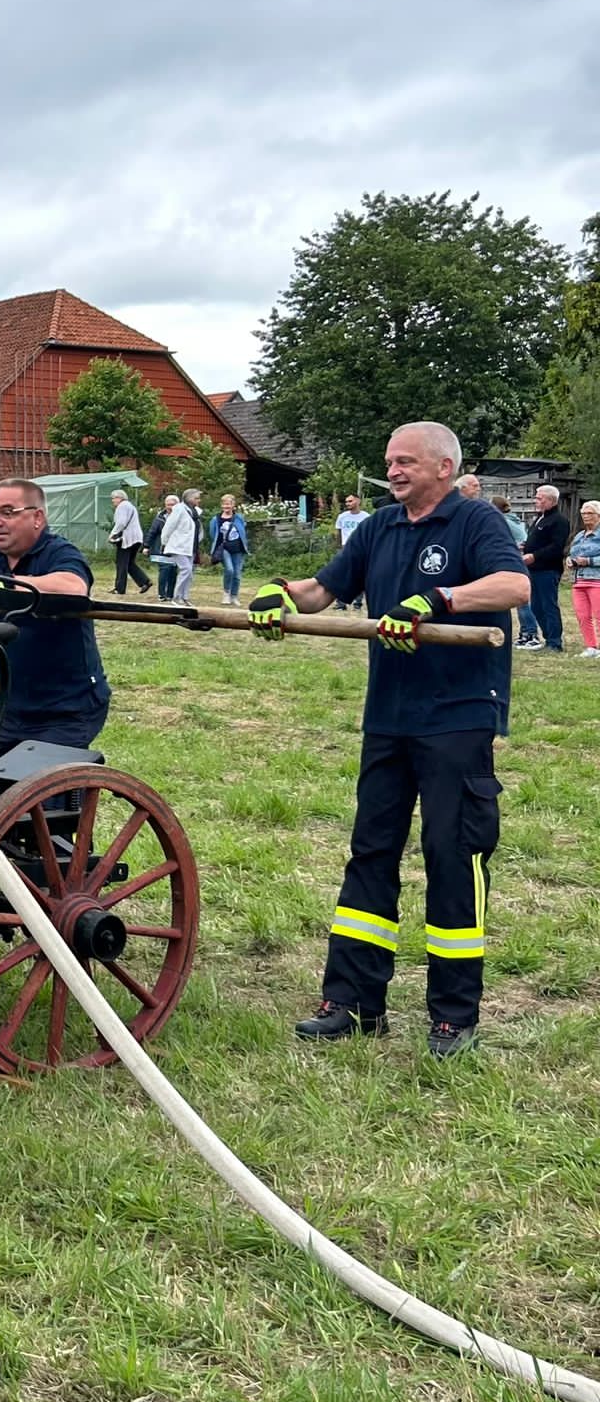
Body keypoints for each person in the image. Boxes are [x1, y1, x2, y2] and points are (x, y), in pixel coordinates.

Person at [245, 421, 528, 1057]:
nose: (393, 471)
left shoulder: (475, 521)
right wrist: (278, 592)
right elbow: (322, 592)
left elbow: (515, 586)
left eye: (406, 462)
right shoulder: (379, 527)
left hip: (457, 717)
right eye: (390, 461)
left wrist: (438, 599)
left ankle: (453, 1015)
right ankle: (352, 1002)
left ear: (444, 468)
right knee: (370, 852)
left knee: (452, 854)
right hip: (388, 718)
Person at [0, 478, 110, 762]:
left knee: (38, 784)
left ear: (37, 518)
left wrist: (7, 586)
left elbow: (74, 586)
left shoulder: (59, 552)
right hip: (14, 708)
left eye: (7, 512)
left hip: (68, 710)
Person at [516, 484, 567, 653]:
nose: (535, 501)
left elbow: (556, 547)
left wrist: (534, 556)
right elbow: (538, 540)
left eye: (539, 498)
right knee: (536, 607)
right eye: (536, 497)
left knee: (548, 606)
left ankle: (555, 642)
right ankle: (547, 637)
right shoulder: (540, 518)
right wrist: (525, 546)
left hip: (548, 570)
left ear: (551, 500)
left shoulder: (559, 521)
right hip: (533, 570)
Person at [570, 500, 600, 658]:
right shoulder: (579, 535)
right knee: (583, 616)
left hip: (597, 580)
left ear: (599, 515)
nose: (586, 516)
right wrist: (570, 560)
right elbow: (572, 553)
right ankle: (591, 647)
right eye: (583, 513)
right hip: (578, 580)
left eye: (590, 513)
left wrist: (589, 561)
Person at [210, 494, 250, 606]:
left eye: (228, 504)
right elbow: (213, 534)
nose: (226, 506)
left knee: (237, 574)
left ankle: (234, 596)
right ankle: (226, 593)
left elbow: (243, 532)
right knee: (229, 570)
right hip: (224, 548)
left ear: (233, 505)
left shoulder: (239, 518)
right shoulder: (215, 519)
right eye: (224, 504)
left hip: (238, 548)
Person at [335, 494, 371, 610]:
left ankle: (357, 603)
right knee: (341, 575)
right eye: (346, 502)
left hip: (361, 549)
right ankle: (340, 603)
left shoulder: (366, 517)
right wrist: (339, 548)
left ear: (358, 501)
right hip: (345, 548)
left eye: (350, 501)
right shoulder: (342, 517)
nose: (348, 504)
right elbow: (338, 533)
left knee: (359, 576)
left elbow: (370, 534)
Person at [160, 492, 197, 603]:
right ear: (189, 499)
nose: (198, 500)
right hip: (177, 545)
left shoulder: (194, 511)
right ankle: (177, 597)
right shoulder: (179, 509)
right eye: (196, 498)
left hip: (189, 546)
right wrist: (164, 542)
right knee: (186, 569)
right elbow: (169, 526)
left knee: (189, 573)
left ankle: (184, 597)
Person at [108, 489, 146, 594]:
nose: (112, 501)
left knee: (121, 563)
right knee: (129, 563)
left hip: (127, 539)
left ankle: (119, 588)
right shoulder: (130, 506)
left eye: (114, 498)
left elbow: (121, 523)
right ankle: (144, 582)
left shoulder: (122, 506)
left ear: (120, 498)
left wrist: (113, 534)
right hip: (137, 538)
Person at [145, 496, 175, 600]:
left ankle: (170, 594)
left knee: (173, 571)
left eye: (172, 504)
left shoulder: (182, 517)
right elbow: (152, 532)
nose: (170, 507)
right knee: (164, 569)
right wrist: (146, 546)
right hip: (161, 549)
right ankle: (162, 594)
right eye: (168, 505)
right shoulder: (159, 518)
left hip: (175, 549)